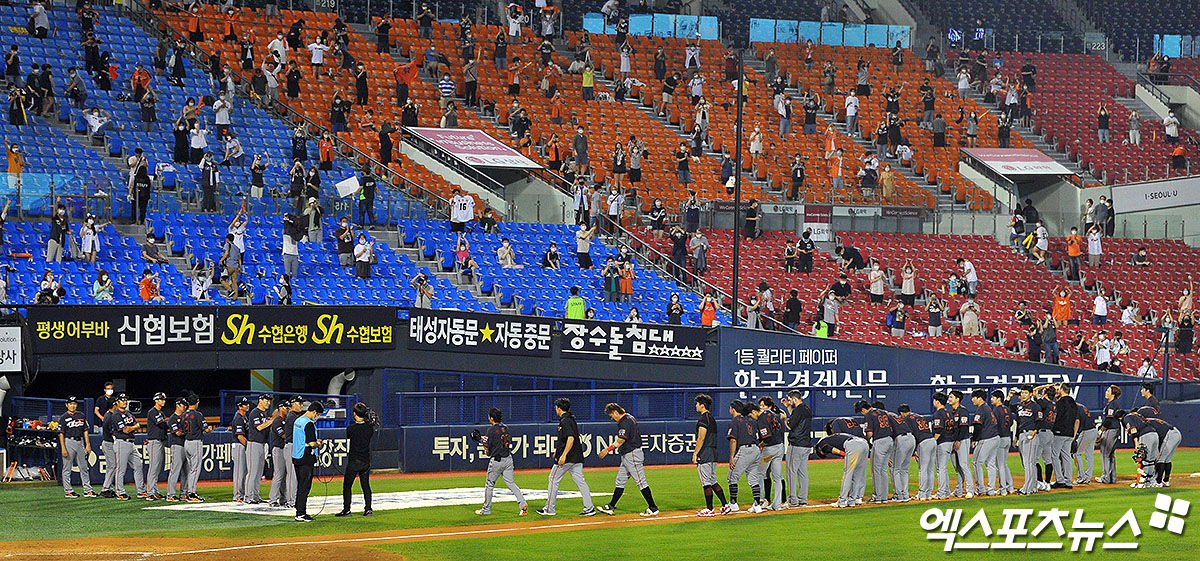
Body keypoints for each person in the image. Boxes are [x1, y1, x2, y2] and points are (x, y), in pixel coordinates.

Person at [595, 403, 659, 516]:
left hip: (632, 454)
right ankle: (611, 506)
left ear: (616, 412)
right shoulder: (629, 417)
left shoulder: (624, 421)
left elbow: (621, 440)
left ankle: (653, 508)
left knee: (641, 481)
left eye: (611, 415)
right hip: (628, 455)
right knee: (620, 481)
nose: (612, 418)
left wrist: (607, 450)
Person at [539, 398, 595, 516]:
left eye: (556, 407)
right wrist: (557, 451)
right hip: (576, 456)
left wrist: (563, 455)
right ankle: (589, 508)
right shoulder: (570, 418)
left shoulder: (565, 420)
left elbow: (570, 438)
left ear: (559, 408)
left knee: (553, 479)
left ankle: (549, 509)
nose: (555, 409)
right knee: (581, 482)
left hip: (568, 458)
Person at [471, 407, 527, 516]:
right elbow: (494, 440)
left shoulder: (491, 430)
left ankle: (486, 509)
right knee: (511, 483)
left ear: (491, 418)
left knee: (489, 484)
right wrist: (483, 440)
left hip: (497, 460)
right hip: (508, 459)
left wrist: (481, 442)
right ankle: (523, 504)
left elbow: (488, 446)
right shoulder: (506, 428)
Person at [335, 402, 375, 517]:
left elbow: (350, 435)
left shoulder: (351, 429)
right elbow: (370, 427)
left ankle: (347, 510)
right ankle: (368, 509)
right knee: (365, 485)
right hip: (365, 461)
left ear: (355, 414)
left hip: (354, 461)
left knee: (347, 485)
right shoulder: (369, 428)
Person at [813, 430, 870, 508]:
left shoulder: (821, 444)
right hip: (863, 443)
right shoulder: (833, 437)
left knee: (848, 474)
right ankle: (853, 500)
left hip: (853, 445)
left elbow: (831, 449)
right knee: (858, 474)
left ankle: (842, 501)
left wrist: (844, 454)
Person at [725, 400, 763, 512]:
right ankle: (757, 505)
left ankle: (733, 503)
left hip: (745, 450)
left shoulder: (735, 421)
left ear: (733, 409)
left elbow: (733, 440)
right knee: (753, 478)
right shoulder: (751, 420)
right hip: (756, 450)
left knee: (732, 476)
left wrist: (731, 457)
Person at [109, 394, 147, 500]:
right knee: (121, 469)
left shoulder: (128, 413)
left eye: (125, 400)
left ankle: (141, 490)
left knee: (138, 465)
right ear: (117, 402)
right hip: (122, 442)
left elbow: (138, 425)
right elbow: (125, 430)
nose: (124, 402)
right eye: (122, 400)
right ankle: (120, 492)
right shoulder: (116, 415)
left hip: (131, 443)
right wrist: (134, 427)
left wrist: (133, 427)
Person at [855, 400, 894, 503]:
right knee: (883, 470)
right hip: (890, 440)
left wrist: (865, 441)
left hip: (880, 441)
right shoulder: (882, 412)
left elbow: (870, 433)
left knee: (876, 470)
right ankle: (884, 497)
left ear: (863, 409)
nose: (862, 414)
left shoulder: (869, 415)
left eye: (861, 412)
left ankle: (877, 497)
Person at [292, 401, 324, 521]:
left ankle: (299, 509)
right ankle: (301, 513)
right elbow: (312, 443)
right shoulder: (308, 424)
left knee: (300, 485)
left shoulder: (298, 421)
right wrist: (319, 443)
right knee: (304, 486)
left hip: (297, 456)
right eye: (319, 414)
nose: (318, 417)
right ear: (314, 412)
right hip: (306, 458)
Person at [58, 396, 94, 498]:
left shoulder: (81, 415)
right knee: (67, 468)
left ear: (76, 405)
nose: (72, 405)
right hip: (69, 441)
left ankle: (88, 490)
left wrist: (88, 445)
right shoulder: (63, 417)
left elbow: (85, 431)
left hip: (80, 442)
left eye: (74, 403)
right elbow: (61, 434)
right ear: (67, 405)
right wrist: (63, 448)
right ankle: (68, 491)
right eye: (70, 404)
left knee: (84, 467)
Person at [267, 401, 291, 507]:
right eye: (286, 407)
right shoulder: (277, 421)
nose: (288, 409)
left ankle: (283, 499)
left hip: (284, 449)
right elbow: (283, 435)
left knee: (284, 475)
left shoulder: (286, 420)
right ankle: (272, 500)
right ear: (280, 408)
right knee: (278, 475)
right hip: (278, 449)